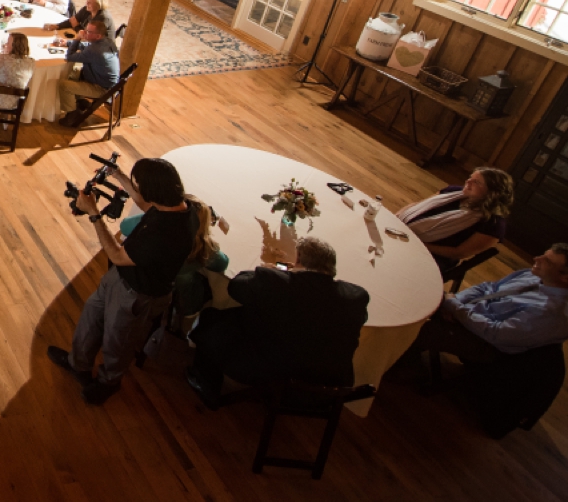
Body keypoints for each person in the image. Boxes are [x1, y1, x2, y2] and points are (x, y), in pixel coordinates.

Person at [48, 157, 199, 403]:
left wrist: (94, 213)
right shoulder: (177, 206)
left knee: (118, 343)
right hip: (120, 279)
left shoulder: (167, 234)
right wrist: (118, 174)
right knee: (91, 319)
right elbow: (144, 202)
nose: (137, 189)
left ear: (155, 191)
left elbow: (117, 255)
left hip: (137, 296)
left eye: (139, 184)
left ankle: (109, 382)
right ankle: (78, 364)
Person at [185, 237, 369, 409]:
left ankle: (206, 385)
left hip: (267, 372)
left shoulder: (275, 281)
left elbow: (236, 287)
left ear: (298, 260)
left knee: (212, 318)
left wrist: (276, 271)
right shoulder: (356, 297)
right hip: (326, 386)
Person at [407, 243, 568, 363]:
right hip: (469, 315)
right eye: (543, 255)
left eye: (547, 261)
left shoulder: (551, 314)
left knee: (420, 331)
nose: (536, 259)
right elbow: (488, 287)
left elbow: (496, 333)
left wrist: (456, 309)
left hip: (486, 343)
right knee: (418, 296)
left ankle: (400, 362)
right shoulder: (533, 275)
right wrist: (456, 300)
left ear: (564, 277)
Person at [397, 167, 513, 266]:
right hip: (404, 234)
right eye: (470, 177)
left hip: (432, 256)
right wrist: (394, 219)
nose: (468, 182)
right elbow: (416, 205)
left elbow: (459, 252)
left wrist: (418, 244)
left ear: (492, 192)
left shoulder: (493, 224)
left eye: (476, 182)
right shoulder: (453, 191)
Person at [55, 16, 120, 126]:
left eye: (88, 32)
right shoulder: (106, 41)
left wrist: (77, 38)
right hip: (107, 83)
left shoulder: (96, 50)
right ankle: (80, 101)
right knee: (75, 71)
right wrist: (68, 43)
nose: (84, 32)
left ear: (98, 35)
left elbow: (70, 56)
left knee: (64, 85)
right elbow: (88, 45)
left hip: (103, 89)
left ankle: (72, 115)